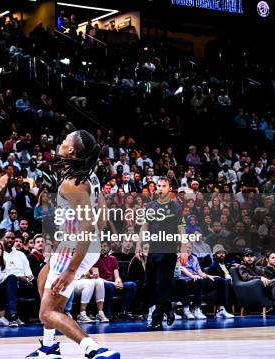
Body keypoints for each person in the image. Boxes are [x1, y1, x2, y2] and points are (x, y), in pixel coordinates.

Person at [27, 130, 119, 359]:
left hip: (75, 246)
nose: (62, 141)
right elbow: (102, 215)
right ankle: (48, 348)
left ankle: (93, 348)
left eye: (66, 140)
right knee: (42, 279)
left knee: (47, 313)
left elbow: (86, 228)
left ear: (71, 151)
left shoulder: (72, 183)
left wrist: (70, 269)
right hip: (82, 244)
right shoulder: (90, 174)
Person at [136, 177, 182, 330]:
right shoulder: (150, 206)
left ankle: (156, 319)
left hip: (169, 249)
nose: (161, 188)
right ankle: (168, 307)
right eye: (159, 186)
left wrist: (183, 248)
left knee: (162, 284)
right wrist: (139, 244)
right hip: (153, 248)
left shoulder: (176, 206)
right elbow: (144, 226)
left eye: (164, 186)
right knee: (149, 284)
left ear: (169, 188)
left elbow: (181, 229)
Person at [94, 241, 137, 320]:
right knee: (109, 286)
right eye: (101, 246)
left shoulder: (113, 258)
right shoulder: (95, 259)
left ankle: (123, 311)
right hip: (103, 284)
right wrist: (113, 283)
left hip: (113, 283)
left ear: (109, 247)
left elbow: (117, 276)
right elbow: (97, 278)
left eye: (105, 246)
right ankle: (107, 313)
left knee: (132, 285)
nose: (103, 248)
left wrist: (118, 282)